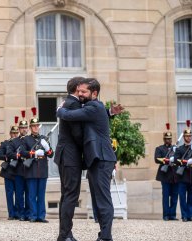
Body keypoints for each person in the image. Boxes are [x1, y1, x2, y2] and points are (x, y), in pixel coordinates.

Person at [57, 78, 117, 241]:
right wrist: (110, 113)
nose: (81, 94)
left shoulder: (93, 107)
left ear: (94, 93)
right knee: (96, 198)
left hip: (102, 159)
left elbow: (68, 115)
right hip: (96, 159)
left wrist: (59, 110)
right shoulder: (93, 106)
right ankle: (69, 235)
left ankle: (105, 237)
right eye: (79, 91)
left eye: (84, 91)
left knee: (102, 198)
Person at [54, 77, 84, 241]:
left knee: (66, 195)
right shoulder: (73, 104)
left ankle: (64, 233)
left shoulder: (66, 103)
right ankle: (65, 234)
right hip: (70, 156)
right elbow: (77, 133)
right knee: (71, 194)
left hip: (65, 154)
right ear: (77, 87)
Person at [20, 107, 54, 223]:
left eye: (37, 126)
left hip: (42, 169)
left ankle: (41, 216)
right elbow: (22, 152)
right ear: (30, 127)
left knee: (41, 195)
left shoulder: (44, 139)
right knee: (32, 195)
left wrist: (47, 147)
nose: (35, 127)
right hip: (32, 170)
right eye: (33, 126)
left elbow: (50, 154)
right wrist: (33, 153)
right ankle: (33, 215)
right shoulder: (26, 139)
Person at [6, 110, 30, 221]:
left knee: (29, 193)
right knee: (20, 194)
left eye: (26, 127)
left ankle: (29, 213)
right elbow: (9, 153)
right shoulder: (14, 141)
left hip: (30, 170)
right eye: (22, 128)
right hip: (19, 169)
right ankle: (21, 213)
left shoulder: (31, 140)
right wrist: (19, 155)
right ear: (19, 129)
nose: (24, 129)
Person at [173, 120, 192, 222]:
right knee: (182, 197)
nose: (189, 138)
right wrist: (185, 162)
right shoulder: (179, 149)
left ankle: (190, 215)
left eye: (190, 136)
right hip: (182, 176)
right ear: (184, 137)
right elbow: (175, 160)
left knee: (191, 197)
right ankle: (184, 215)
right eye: (187, 136)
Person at [154, 123, 178, 221]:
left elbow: (178, 159)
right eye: (167, 138)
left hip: (174, 175)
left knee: (174, 196)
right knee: (166, 196)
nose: (169, 140)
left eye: (170, 138)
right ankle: (166, 215)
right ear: (164, 139)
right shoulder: (159, 148)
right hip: (165, 175)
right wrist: (167, 160)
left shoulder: (175, 148)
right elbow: (157, 159)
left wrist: (175, 157)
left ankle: (172, 214)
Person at [0, 117, 19, 220]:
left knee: (19, 193)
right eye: (13, 133)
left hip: (18, 170)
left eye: (16, 133)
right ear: (10, 133)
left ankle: (18, 213)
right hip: (8, 171)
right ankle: (11, 213)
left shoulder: (21, 142)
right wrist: (8, 156)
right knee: (9, 193)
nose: (15, 135)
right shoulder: (5, 143)